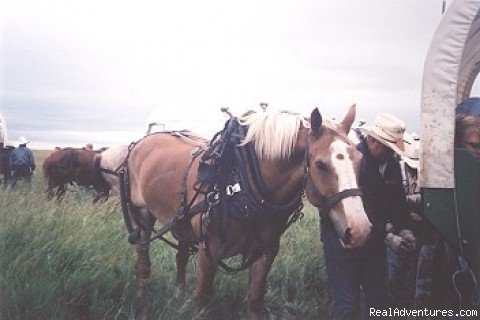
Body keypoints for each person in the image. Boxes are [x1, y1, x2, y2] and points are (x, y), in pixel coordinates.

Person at [321, 113, 416, 319]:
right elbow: (362, 208)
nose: (391, 153)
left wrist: (405, 229)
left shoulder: (390, 164)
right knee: (347, 303)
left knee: (378, 300)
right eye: (387, 147)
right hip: (343, 240)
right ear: (372, 140)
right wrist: (390, 238)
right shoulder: (353, 161)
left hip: (374, 243)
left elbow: (397, 202)